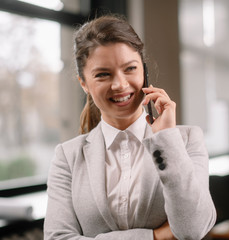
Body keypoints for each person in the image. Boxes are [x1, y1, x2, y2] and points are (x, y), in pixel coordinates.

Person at [44, 15, 216, 240]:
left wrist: (166, 139)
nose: (120, 85)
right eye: (103, 74)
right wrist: (154, 237)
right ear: (84, 84)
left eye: (130, 69)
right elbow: (57, 238)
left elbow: (193, 230)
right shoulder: (67, 157)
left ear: (143, 71)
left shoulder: (186, 139)